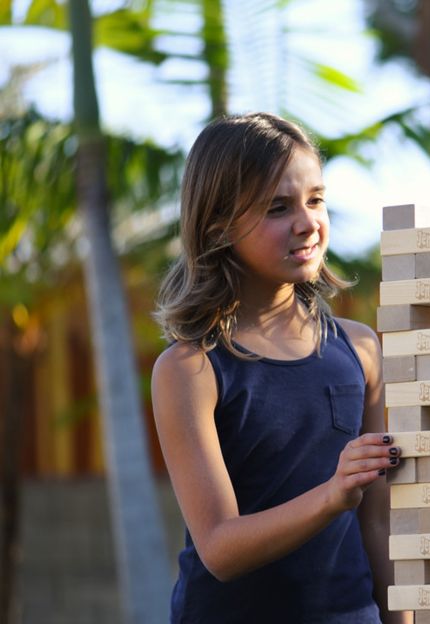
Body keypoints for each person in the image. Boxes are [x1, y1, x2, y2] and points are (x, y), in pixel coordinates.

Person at [151, 112, 401, 623]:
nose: (307, 222)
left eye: (315, 199)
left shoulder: (362, 350)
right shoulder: (189, 369)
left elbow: (378, 521)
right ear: (220, 226)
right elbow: (219, 548)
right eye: (277, 207)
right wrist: (333, 495)